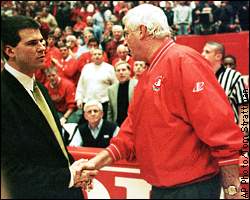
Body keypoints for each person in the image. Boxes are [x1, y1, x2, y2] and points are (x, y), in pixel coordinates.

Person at [80, 4, 243, 199]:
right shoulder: (149, 73)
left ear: (142, 31)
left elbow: (220, 130)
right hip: (163, 189)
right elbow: (130, 131)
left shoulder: (184, 60)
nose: (124, 40)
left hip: (192, 188)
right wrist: (96, 162)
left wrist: (234, 192)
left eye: (127, 33)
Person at [1, 15, 97, 198]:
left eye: (42, 41)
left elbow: (56, 148)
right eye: (32, 43)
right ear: (10, 51)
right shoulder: (4, 97)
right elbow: (10, 173)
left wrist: (75, 171)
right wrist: (68, 177)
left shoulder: (42, 91)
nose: (42, 48)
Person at [202, 41, 249, 127]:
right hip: (209, 134)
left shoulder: (235, 76)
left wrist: (243, 134)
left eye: (207, 52)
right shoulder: (200, 76)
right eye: (203, 51)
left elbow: (245, 107)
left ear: (218, 56)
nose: (202, 54)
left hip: (231, 134)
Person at [75, 48, 117, 120]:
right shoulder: (86, 67)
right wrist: (79, 99)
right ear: (92, 57)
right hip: (87, 102)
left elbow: (115, 86)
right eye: (95, 54)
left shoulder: (109, 68)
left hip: (104, 102)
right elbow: (80, 85)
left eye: (99, 54)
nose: (97, 56)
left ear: (103, 56)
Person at [107, 61, 138, 126]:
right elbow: (110, 111)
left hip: (134, 123)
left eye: (123, 70)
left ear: (129, 72)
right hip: (118, 124)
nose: (121, 72)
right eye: (118, 70)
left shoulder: (137, 85)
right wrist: (110, 126)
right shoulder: (111, 89)